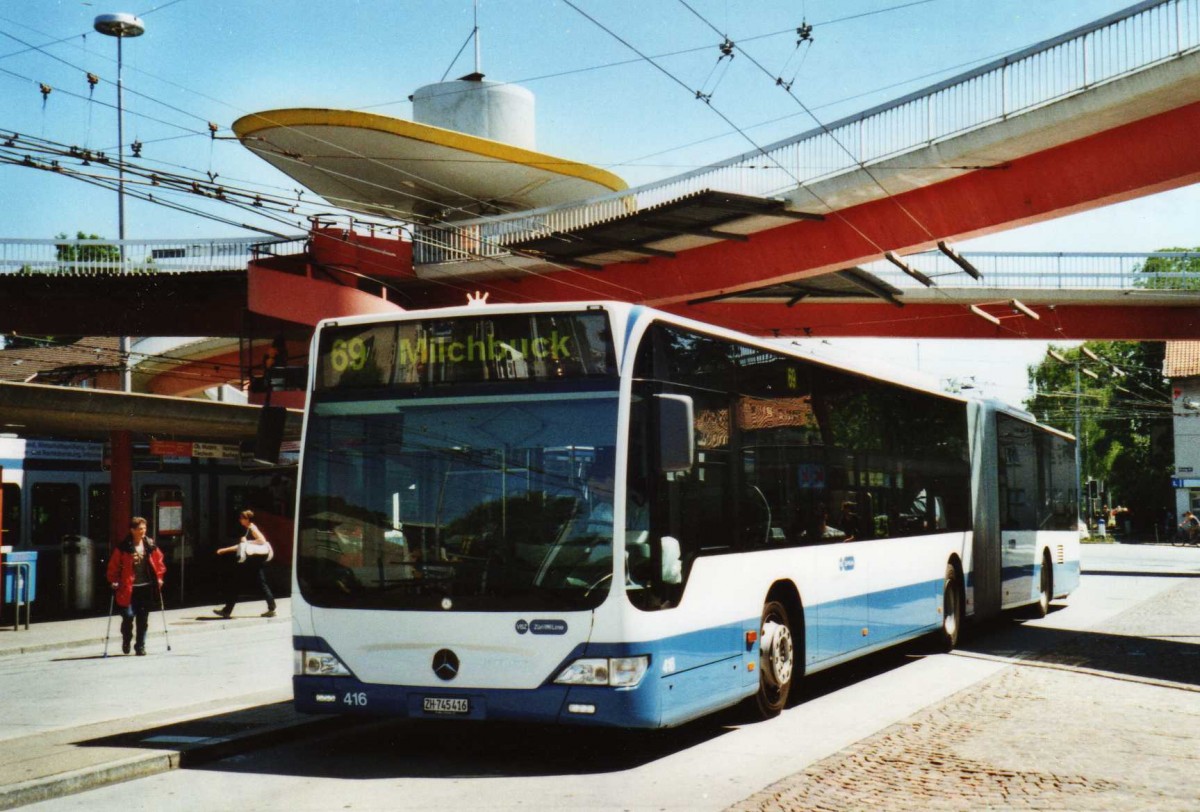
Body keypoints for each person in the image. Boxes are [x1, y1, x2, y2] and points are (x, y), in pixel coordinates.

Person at [107, 517, 166, 656]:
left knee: (143, 618)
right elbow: (113, 567)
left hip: (146, 587)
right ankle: (127, 638)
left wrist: (159, 578)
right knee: (128, 616)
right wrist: (113, 580)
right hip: (128, 588)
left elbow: (159, 563)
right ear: (132, 530)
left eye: (144, 528)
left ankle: (140, 646)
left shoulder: (150, 545)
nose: (143, 531)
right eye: (140, 529)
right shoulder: (123, 548)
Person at [213, 509, 276, 618]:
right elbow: (242, 546)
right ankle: (272, 607)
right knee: (261, 583)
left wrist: (247, 542)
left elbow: (262, 540)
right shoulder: (249, 529)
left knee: (236, 583)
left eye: (242, 518)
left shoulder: (252, 528)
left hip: (251, 561)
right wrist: (225, 550)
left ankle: (227, 611)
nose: (240, 520)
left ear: (247, 519)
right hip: (255, 561)